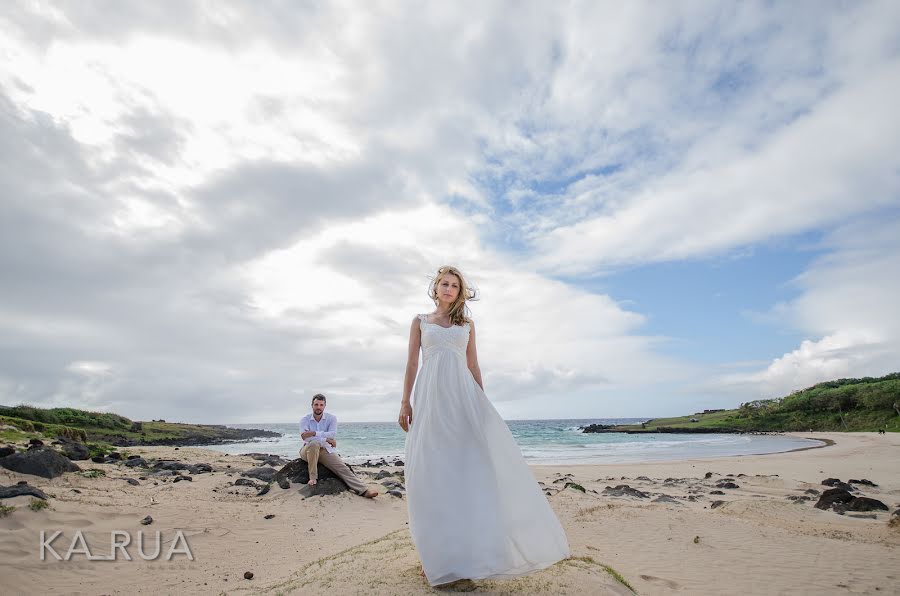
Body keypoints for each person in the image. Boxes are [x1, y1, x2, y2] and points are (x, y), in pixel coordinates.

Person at [398, 265, 570, 586]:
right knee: (431, 474)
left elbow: (474, 365)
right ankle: (434, 558)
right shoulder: (420, 322)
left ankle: (467, 556)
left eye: (454, 285)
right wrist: (405, 402)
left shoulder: (467, 325)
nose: (448, 289)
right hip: (431, 401)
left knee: (467, 473)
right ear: (436, 288)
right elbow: (411, 363)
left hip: (463, 401)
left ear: (460, 292)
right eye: (444, 284)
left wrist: (482, 406)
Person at [300, 393, 378, 498]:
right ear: (312, 405)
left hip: (324, 449)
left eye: (321, 405)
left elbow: (332, 434)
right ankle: (313, 477)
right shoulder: (305, 419)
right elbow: (305, 437)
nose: (318, 407)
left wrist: (314, 433)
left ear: (324, 406)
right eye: (316, 404)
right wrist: (326, 439)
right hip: (308, 450)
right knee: (314, 444)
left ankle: (363, 490)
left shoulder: (331, 418)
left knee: (342, 467)